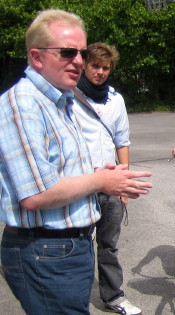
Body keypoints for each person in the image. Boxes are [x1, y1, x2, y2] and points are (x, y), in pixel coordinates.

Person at [0, 9, 152, 315]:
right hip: (46, 250)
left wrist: (101, 173)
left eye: (81, 53)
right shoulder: (24, 105)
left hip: (66, 248)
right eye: (68, 52)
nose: (79, 61)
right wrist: (99, 181)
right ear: (36, 57)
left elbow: (62, 168)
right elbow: (35, 194)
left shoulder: (59, 101)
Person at [72, 43, 140, 315]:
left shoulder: (116, 100)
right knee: (78, 244)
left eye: (105, 67)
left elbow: (122, 142)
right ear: (85, 65)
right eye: (95, 66)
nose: (100, 71)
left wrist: (124, 181)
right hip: (82, 184)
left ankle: (113, 297)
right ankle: (75, 299)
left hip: (111, 182)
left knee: (109, 245)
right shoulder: (69, 95)